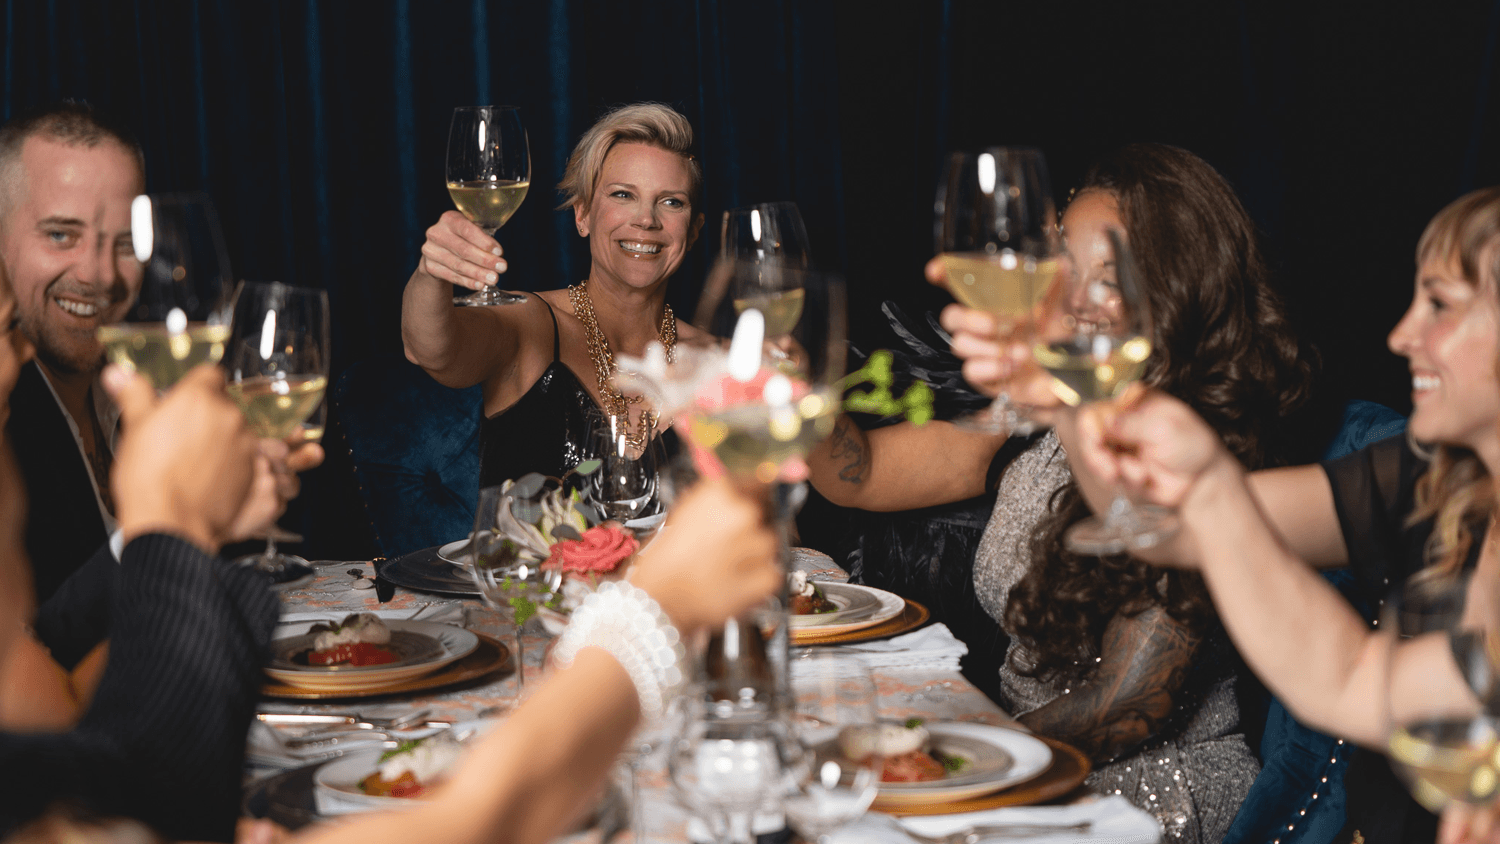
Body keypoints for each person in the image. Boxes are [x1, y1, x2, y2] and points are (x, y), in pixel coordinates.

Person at [953, 185, 1500, 844]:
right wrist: (1072, 400)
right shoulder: (1430, 483)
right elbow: (1187, 537)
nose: (1402, 334)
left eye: (1439, 303)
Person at [809, 143, 1312, 842]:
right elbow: (857, 475)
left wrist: (954, 751)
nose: (1075, 299)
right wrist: (793, 392)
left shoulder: (1206, 441)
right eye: (1066, 267)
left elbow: (1131, 703)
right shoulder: (1048, 403)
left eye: (1110, 277)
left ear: (1179, 284)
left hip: (1145, 792)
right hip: (1022, 755)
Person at [402, 102, 706, 487]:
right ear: (582, 215)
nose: (646, 219)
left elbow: (777, 525)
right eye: (622, 195)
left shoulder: (719, 362)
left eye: (671, 201)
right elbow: (430, 348)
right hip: (523, 551)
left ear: (693, 230)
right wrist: (432, 274)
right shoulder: (532, 324)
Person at [0, 102, 144, 603]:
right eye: (61, 234)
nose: (99, 275)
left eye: (123, 243)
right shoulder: (5, 417)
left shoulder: (146, 389)